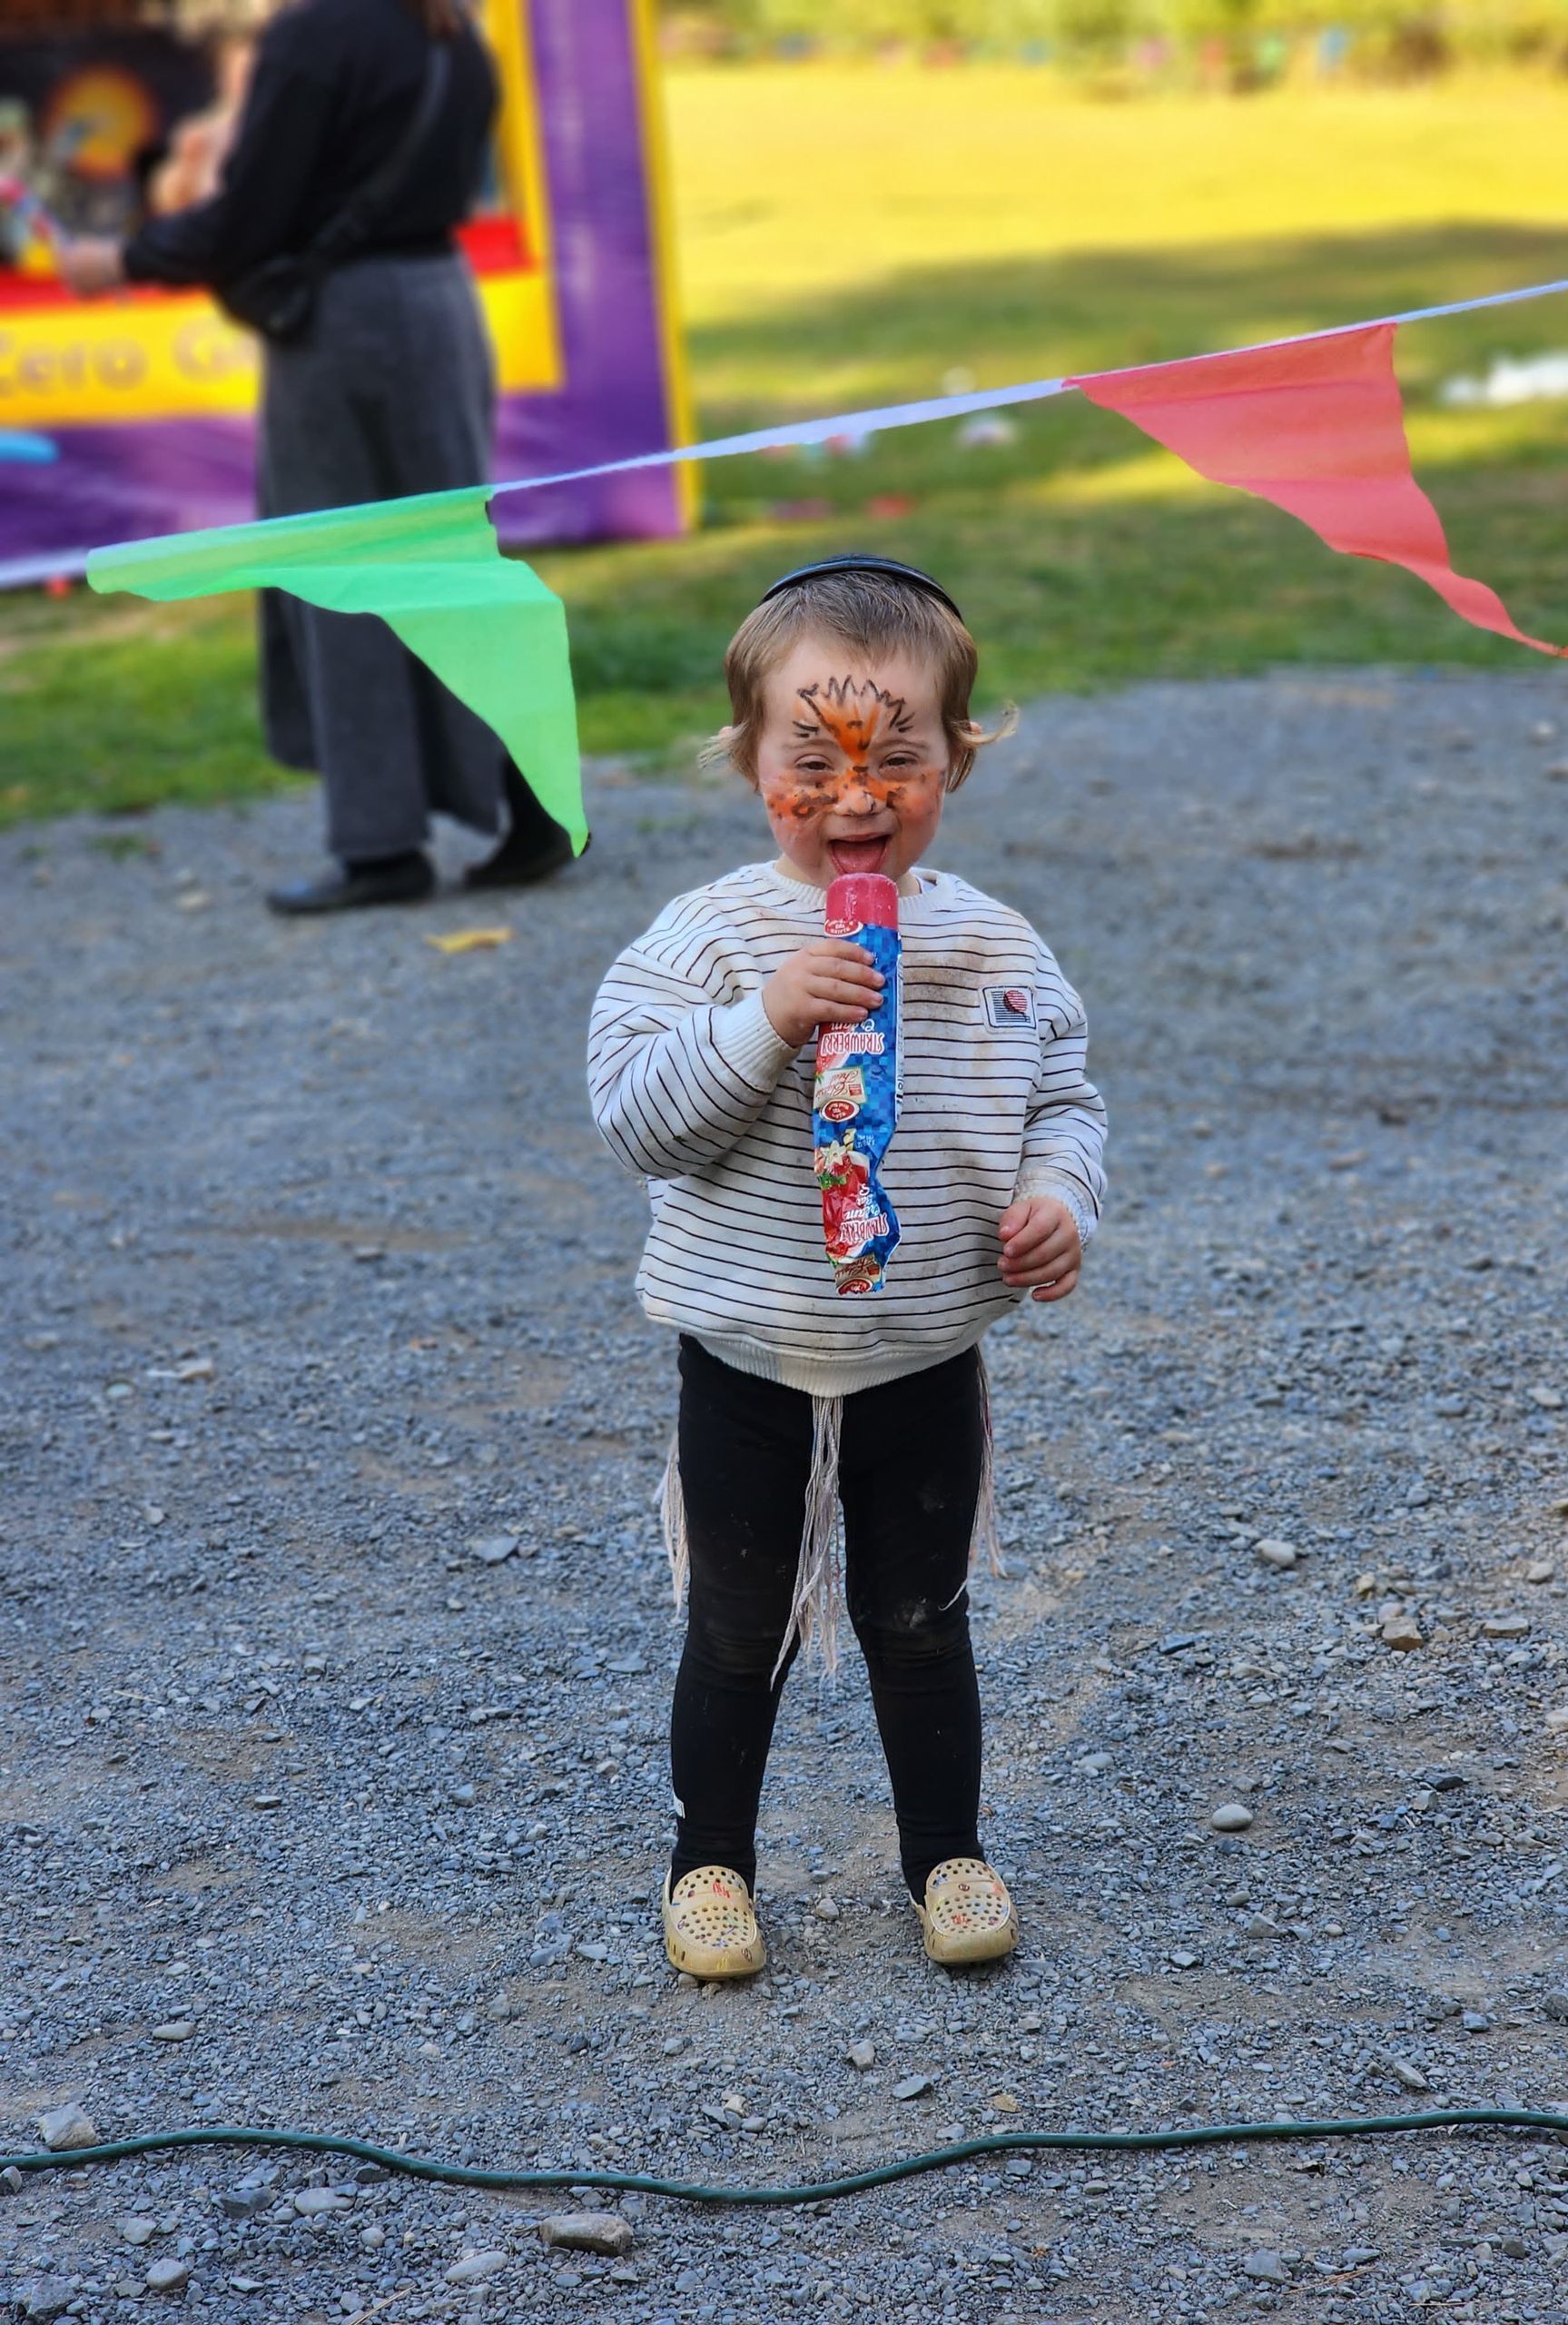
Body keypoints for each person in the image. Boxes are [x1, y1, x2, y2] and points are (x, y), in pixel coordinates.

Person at [587, 554, 1107, 1979]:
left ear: (959, 758)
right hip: (748, 1358)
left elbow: (1065, 1098)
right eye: (811, 762)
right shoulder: (710, 941)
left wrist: (1057, 1196)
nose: (856, 796)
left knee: (923, 1623)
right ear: (749, 759)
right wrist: (766, 1018)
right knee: (734, 1627)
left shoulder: (990, 947)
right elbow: (638, 1119)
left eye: (900, 759)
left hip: (924, 1357)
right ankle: (709, 1867)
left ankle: (946, 1854)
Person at [60, 0, 573, 914]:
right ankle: (532, 806)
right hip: (440, 303)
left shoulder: (315, 33)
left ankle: (380, 845)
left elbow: (251, 218)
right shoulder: (449, 26)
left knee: (340, 572)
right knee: (455, 567)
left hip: (346, 328)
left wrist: (122, 258)